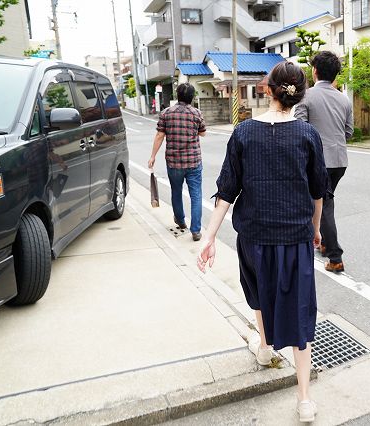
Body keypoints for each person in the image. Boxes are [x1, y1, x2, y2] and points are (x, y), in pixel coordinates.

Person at [197, 61, 328, 423]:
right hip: (294, 236)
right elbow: (318, 193)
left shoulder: (242, 133)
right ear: (298, 93)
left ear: (267, 89)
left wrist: (208, 236)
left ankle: (266, 349)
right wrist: (315, 229)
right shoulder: (307, 135)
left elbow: (226, 191)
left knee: (259, 293)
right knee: (300, 311)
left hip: (253, 237)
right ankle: (303, 399)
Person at [295, 51, 353, 273]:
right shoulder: (344, 98)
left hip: (318, 161)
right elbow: (348, 131)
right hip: (340, 161)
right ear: (336, 74)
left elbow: (300, 129)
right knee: (326, 201)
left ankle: (335, 257)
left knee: (324, 203)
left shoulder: (306, 96)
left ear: (315, 71)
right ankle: (327, 242)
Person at [148, 83, 206, 241]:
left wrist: (153, 156)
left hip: (174, 162)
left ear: (177, 95)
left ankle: (180, 221)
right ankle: (196, 230)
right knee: (196, 195)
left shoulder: (166, 113)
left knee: (176, 191)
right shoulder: (196, 113)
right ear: (192, 97)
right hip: (193, 161)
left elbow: (160, 135)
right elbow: (203, 133)